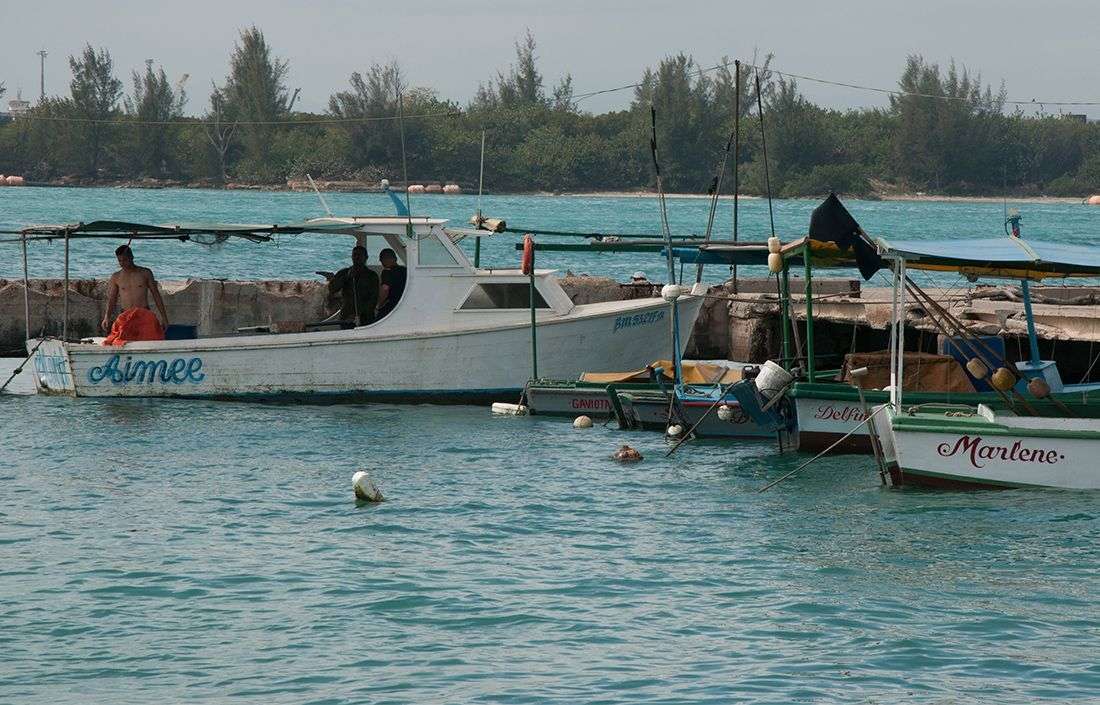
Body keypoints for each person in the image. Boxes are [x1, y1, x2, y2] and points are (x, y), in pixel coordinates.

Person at [101, 244, 169, 346]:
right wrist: (107, 317)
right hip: (125, 316)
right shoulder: (116, 277)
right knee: (120, 343)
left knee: (151, 343)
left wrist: (164, 317)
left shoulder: (145, 273)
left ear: (132, 257)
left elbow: (156, 295)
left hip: (144, 314)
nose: (122, 263)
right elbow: (112, 299)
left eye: (125, 260)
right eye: (119, 261)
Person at [327, 245, 379, 327]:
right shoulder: (344, 273)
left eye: (360, 255)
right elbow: (332, 289)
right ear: (351, 257)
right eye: (354, 255)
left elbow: (373, 299)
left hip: (366, 317)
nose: (357, 257)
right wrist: (346, 277)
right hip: (346, 315)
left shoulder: (372, 276)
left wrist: (359, 315)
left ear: (366, 257)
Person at [376, 248, 407, 319]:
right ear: (395, 258)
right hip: (403, 305)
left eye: (381, 259)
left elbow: (385, 289)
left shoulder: (387, 272)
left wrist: (377, 306)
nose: (381, 261)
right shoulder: (405, 271)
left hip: (391, 306)